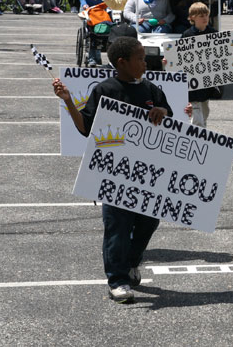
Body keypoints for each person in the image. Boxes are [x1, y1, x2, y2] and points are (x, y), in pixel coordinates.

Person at [52, 37, 176, 304]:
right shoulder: (105, 89)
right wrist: (69, 101)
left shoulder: (152, 90)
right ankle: (117, 281)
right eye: (141, 59)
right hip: (113, 174)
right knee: (117, 227)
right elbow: (85, 127)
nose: (145, 63)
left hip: (147, 173)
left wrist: (163, 111)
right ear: (122, 62)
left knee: (148, 221)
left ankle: (131, 262)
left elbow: (173, 123)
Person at [181, 2, 218, 127]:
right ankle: (198, 138)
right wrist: (168, 61)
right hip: (192, 83)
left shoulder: (213, 33)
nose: (205, 18)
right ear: (192, 17)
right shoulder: (187, 35)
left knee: (205, 112)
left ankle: (201, 134)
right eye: (201, 15)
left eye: (206, 15)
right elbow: (179, 56)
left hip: (207, 83)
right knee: (197, 119)